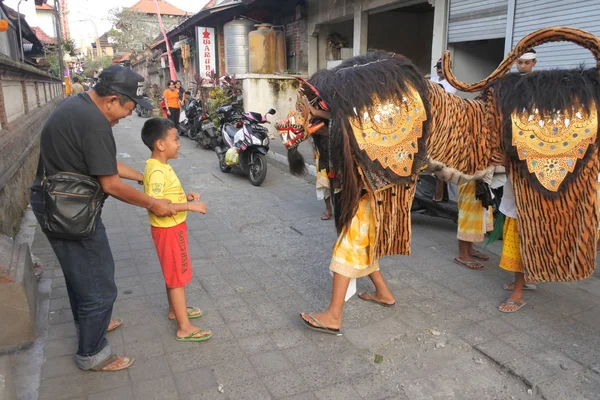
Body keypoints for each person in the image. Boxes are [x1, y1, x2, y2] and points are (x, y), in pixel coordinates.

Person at [30, 66, 176, 371]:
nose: (124, 116)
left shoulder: (79, 107)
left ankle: (93, 324)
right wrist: (154, 203)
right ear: (111, 100)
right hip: (68, 209)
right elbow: (109, 183)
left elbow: (104, 163)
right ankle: (92, 352)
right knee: (100, 283)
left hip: (59, 201)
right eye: (126, 109)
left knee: (80, 274)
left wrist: (143, 177)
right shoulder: (94, 122)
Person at [141, 118, 213, 342]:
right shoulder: (157, 172)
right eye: (175, 139)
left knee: (173, 274)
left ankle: (175, 310)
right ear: (160, 144)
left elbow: (166, 197)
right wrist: (189, 206)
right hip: (168, 230)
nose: (179, 143)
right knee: (177, 278)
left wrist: (185, 196)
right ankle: (184, 327)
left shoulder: (159, 166)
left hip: (173, 228)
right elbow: (159, 205)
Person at [430, 58, 457, 202]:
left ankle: (439, 195)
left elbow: (442, 94)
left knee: (440, 162)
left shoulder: (452, 82)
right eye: (438, 67)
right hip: (431, 120)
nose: (439, 70)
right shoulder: (433, 78)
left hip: (444, 122)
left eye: (442, 67)